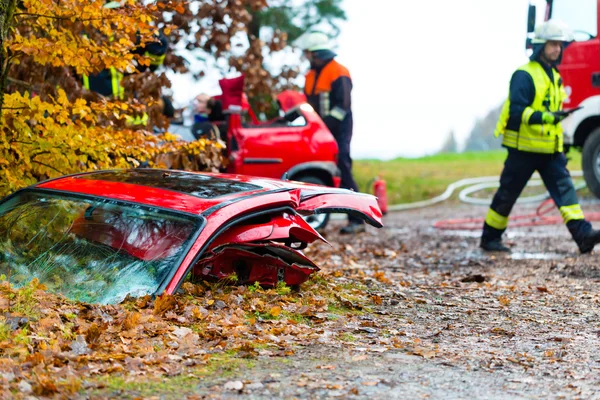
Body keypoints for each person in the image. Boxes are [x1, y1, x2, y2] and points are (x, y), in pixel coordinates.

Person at [481, 19, 600, 254]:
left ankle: (583, 235)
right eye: (552, 44)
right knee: (507, 195)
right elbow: (516, 112)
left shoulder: (553, 75)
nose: (557, 49)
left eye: (559, 45)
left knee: (567, 194)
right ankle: (490, 238)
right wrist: (546, 118)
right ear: (540, 46)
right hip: (523, 151)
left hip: (549, 151)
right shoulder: (524, 75)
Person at [294, 31, 365, 234]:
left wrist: (324, 128)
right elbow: (305, 103)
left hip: (339, 130)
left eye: (308, 53)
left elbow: (342, 107)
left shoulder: (339, 72)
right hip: (318, 131)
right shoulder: (310, 76)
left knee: (342, 166)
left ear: (317, 54)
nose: (306, 57)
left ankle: (357, 219)